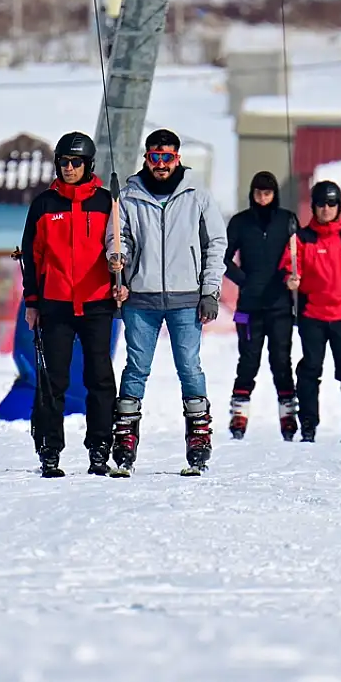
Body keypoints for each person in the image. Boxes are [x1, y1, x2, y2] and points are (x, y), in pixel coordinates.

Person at [106, 129, 227, 475]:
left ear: (178, 159)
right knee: (136, 368)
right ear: (146, 158)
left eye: (167, 158)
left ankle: (198, 435)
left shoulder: (197, 195)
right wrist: (118, 256)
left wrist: (210, 290)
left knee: (189, 366)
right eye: (155, 158)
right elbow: (118, 235)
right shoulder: (128, 196)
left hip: (186, 298)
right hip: (141, 298)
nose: (160, 165)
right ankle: (126, 436)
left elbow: (216, 243)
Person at [19, 131, 118, 478]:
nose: (70, 168)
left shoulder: (107, 203)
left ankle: (100, 447)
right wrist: (32, 301)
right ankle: (49, 449)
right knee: (52, 380)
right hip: (55, 304)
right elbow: (32, 256)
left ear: (89, 165)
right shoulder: (44, 205)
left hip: (97, 303)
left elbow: (121, 247)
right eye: (64, 162)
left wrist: (122, 281)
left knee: (100, 379)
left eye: (76, 162)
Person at [280, 180, 341, 442]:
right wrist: (290, 280)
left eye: (331, 204)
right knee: (310, 370)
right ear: (314, 207)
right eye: (321, 204)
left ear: (339, 206)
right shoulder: (301, 239)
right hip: (312, 316)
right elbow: (288, 267)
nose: (326, 209)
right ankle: (308, 425)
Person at [223, 171, 299, 440]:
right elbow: (224, 258)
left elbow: (297, 256)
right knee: (248, 360)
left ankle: (288, 415)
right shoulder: (240, 222)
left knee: (281, 361)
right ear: (252, 193)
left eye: (267, 193)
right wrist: (244, 280)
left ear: (275, 194)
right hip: (247, 308)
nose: (263, 197)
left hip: (280, 306)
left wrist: (290, 278)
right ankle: (239, 414)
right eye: (258, 193)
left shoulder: (287, 220)